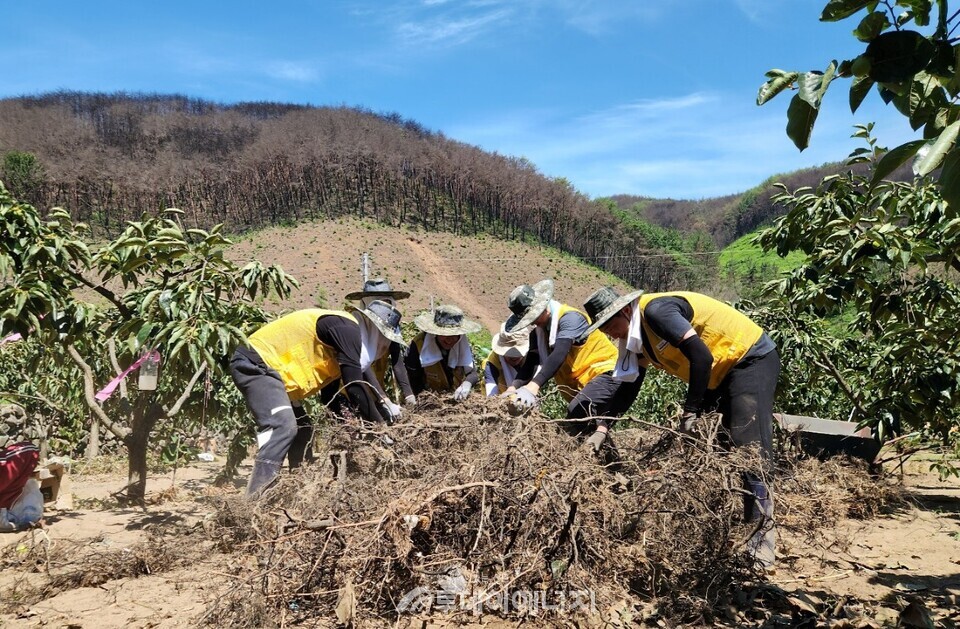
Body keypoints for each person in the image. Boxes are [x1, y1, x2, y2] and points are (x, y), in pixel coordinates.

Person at [581, 285, 780, 568]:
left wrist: (690, 412)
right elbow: (627, 388)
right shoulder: (633, 341)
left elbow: (701, 356)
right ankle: (728, 529)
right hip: (718, 375)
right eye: (601, 329)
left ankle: (762, 544)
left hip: (749, 358)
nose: (608, 333)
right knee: (718, 449)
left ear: (625, 311)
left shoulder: (656, 312)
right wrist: (602, 429)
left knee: (748, 448)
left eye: (609, 325)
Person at [230, 307, 389, 497]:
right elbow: (355, 386)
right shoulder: (348, 330)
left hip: (276, 375)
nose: (385, 348)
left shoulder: (343, 345)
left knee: (304, 427)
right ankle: (255, 500)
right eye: (385, 341)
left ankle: (295, 489)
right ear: (375, 331)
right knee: (282, 426)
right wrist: (380, 427)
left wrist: (350, 429)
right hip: (257, 363)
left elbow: (328, 398)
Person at [504, 279, 642, 453]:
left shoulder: (570, 318)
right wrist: (513, 388)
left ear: (542, 306)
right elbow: (530, 364)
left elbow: (560, 352)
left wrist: (533, 386)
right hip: (582, 385)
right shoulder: (538, 333)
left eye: (533, 317)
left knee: (576, 413)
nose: (533, 322)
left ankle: (568, 460)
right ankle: (613, 472)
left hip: (606, 372)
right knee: (590, 429)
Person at [345, 279, 416, 408]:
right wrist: (384, 399)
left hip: (377, 389)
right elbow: (363, 365)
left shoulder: (391, 327)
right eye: (380, 303)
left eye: (387, 303)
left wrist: (409, 395)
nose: (383, 309)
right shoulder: (355, 325)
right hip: (353, 388)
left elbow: (397, 363)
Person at [404, 305, 481, 402]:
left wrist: (467, 383)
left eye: (454, 335)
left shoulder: (462, 344)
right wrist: (424, 400)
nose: (449, 340)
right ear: (435, 333)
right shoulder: (419, 345)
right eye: (444, 335)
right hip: (427, 398)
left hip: (455, 398)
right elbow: (413, 378)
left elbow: (472, 373)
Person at [482, 323, 537, 396]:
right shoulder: (493, 361)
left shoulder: (532, 358)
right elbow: (491, 391)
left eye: (517, 355)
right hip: (501, 394)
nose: (514, 358)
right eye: (510, 356)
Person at [0, 441, 40, 531]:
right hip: (24, 455)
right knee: (8, 488)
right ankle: (2, 518)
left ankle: (2, 518)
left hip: (25, 455)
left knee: (9, 488)